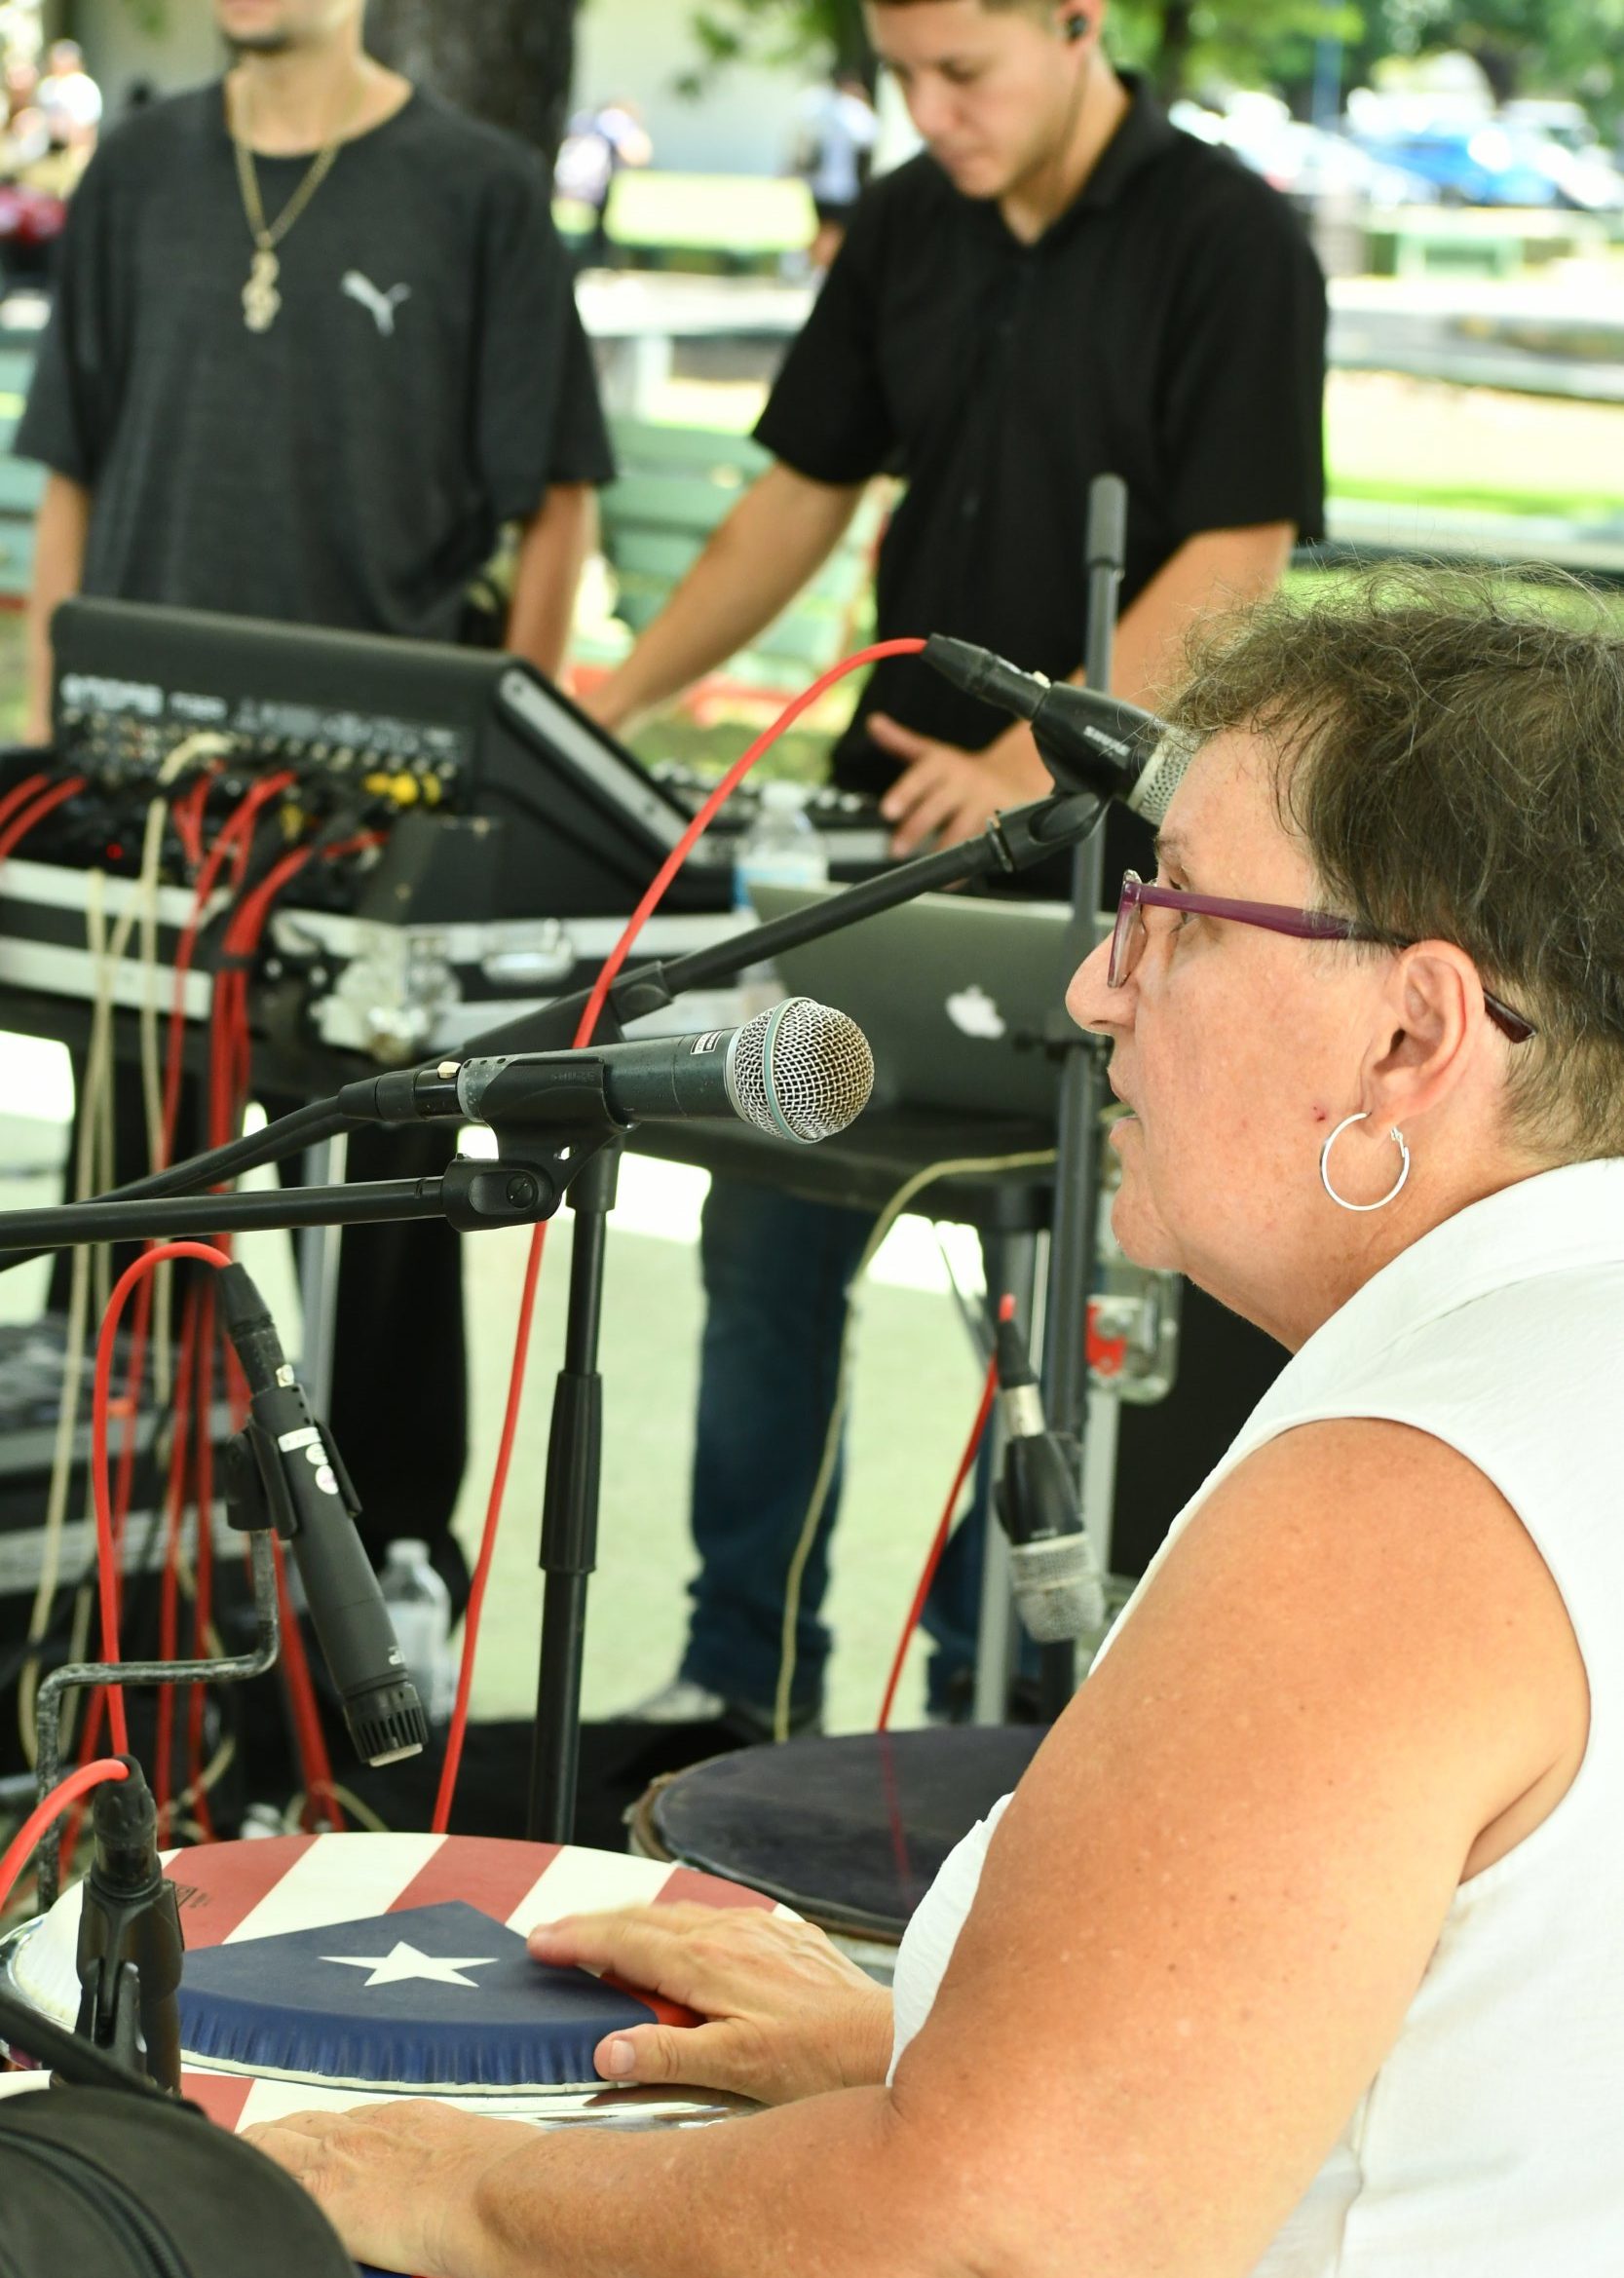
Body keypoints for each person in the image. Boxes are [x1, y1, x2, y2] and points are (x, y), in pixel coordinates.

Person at [254, 572, 1624, 2278]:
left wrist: (441, 2182)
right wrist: (919, 2052)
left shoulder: (1406, 1498)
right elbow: (1465, 2101)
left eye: (1172, 912)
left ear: (1408, 1035)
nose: (1092, 986)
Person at [585, 0, 1326, 1734]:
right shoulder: (910, 223)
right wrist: (613, 698)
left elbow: (1237, 555)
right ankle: (733, 1679)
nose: (926, 112)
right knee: (768, 1235)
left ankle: (981, 1719)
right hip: (888, 837)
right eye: (897, 75)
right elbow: (798, 494)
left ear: (1079, 23)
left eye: (962, 74)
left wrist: (1027, 755)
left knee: (1046, 1302)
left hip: (1103, 870)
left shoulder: (1226, 240)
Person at [12, 0, 614, 1603]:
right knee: (135, 1217)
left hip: (377, 826)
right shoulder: (136, 173)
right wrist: (62, 730)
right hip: (154, 813)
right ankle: (130, 1582)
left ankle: (396, 1568)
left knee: (387, 1213)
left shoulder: (476, 191)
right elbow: (68, 471)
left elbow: (556, 503)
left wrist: (502, 772)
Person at [790, 67, 880, 270]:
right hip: (841, 184)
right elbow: (869, 134)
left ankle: (807, 264)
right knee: (835, 230)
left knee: (824, 227)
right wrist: (862, 102)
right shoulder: (850, 109)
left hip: (817, 182)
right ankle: (822, 267)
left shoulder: (816, 105)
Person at [553, 96, 652, 269]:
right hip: (589, 182)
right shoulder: (615, 121)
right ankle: (597, 256)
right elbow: (638, 153)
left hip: (562, 178)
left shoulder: (585, 119)